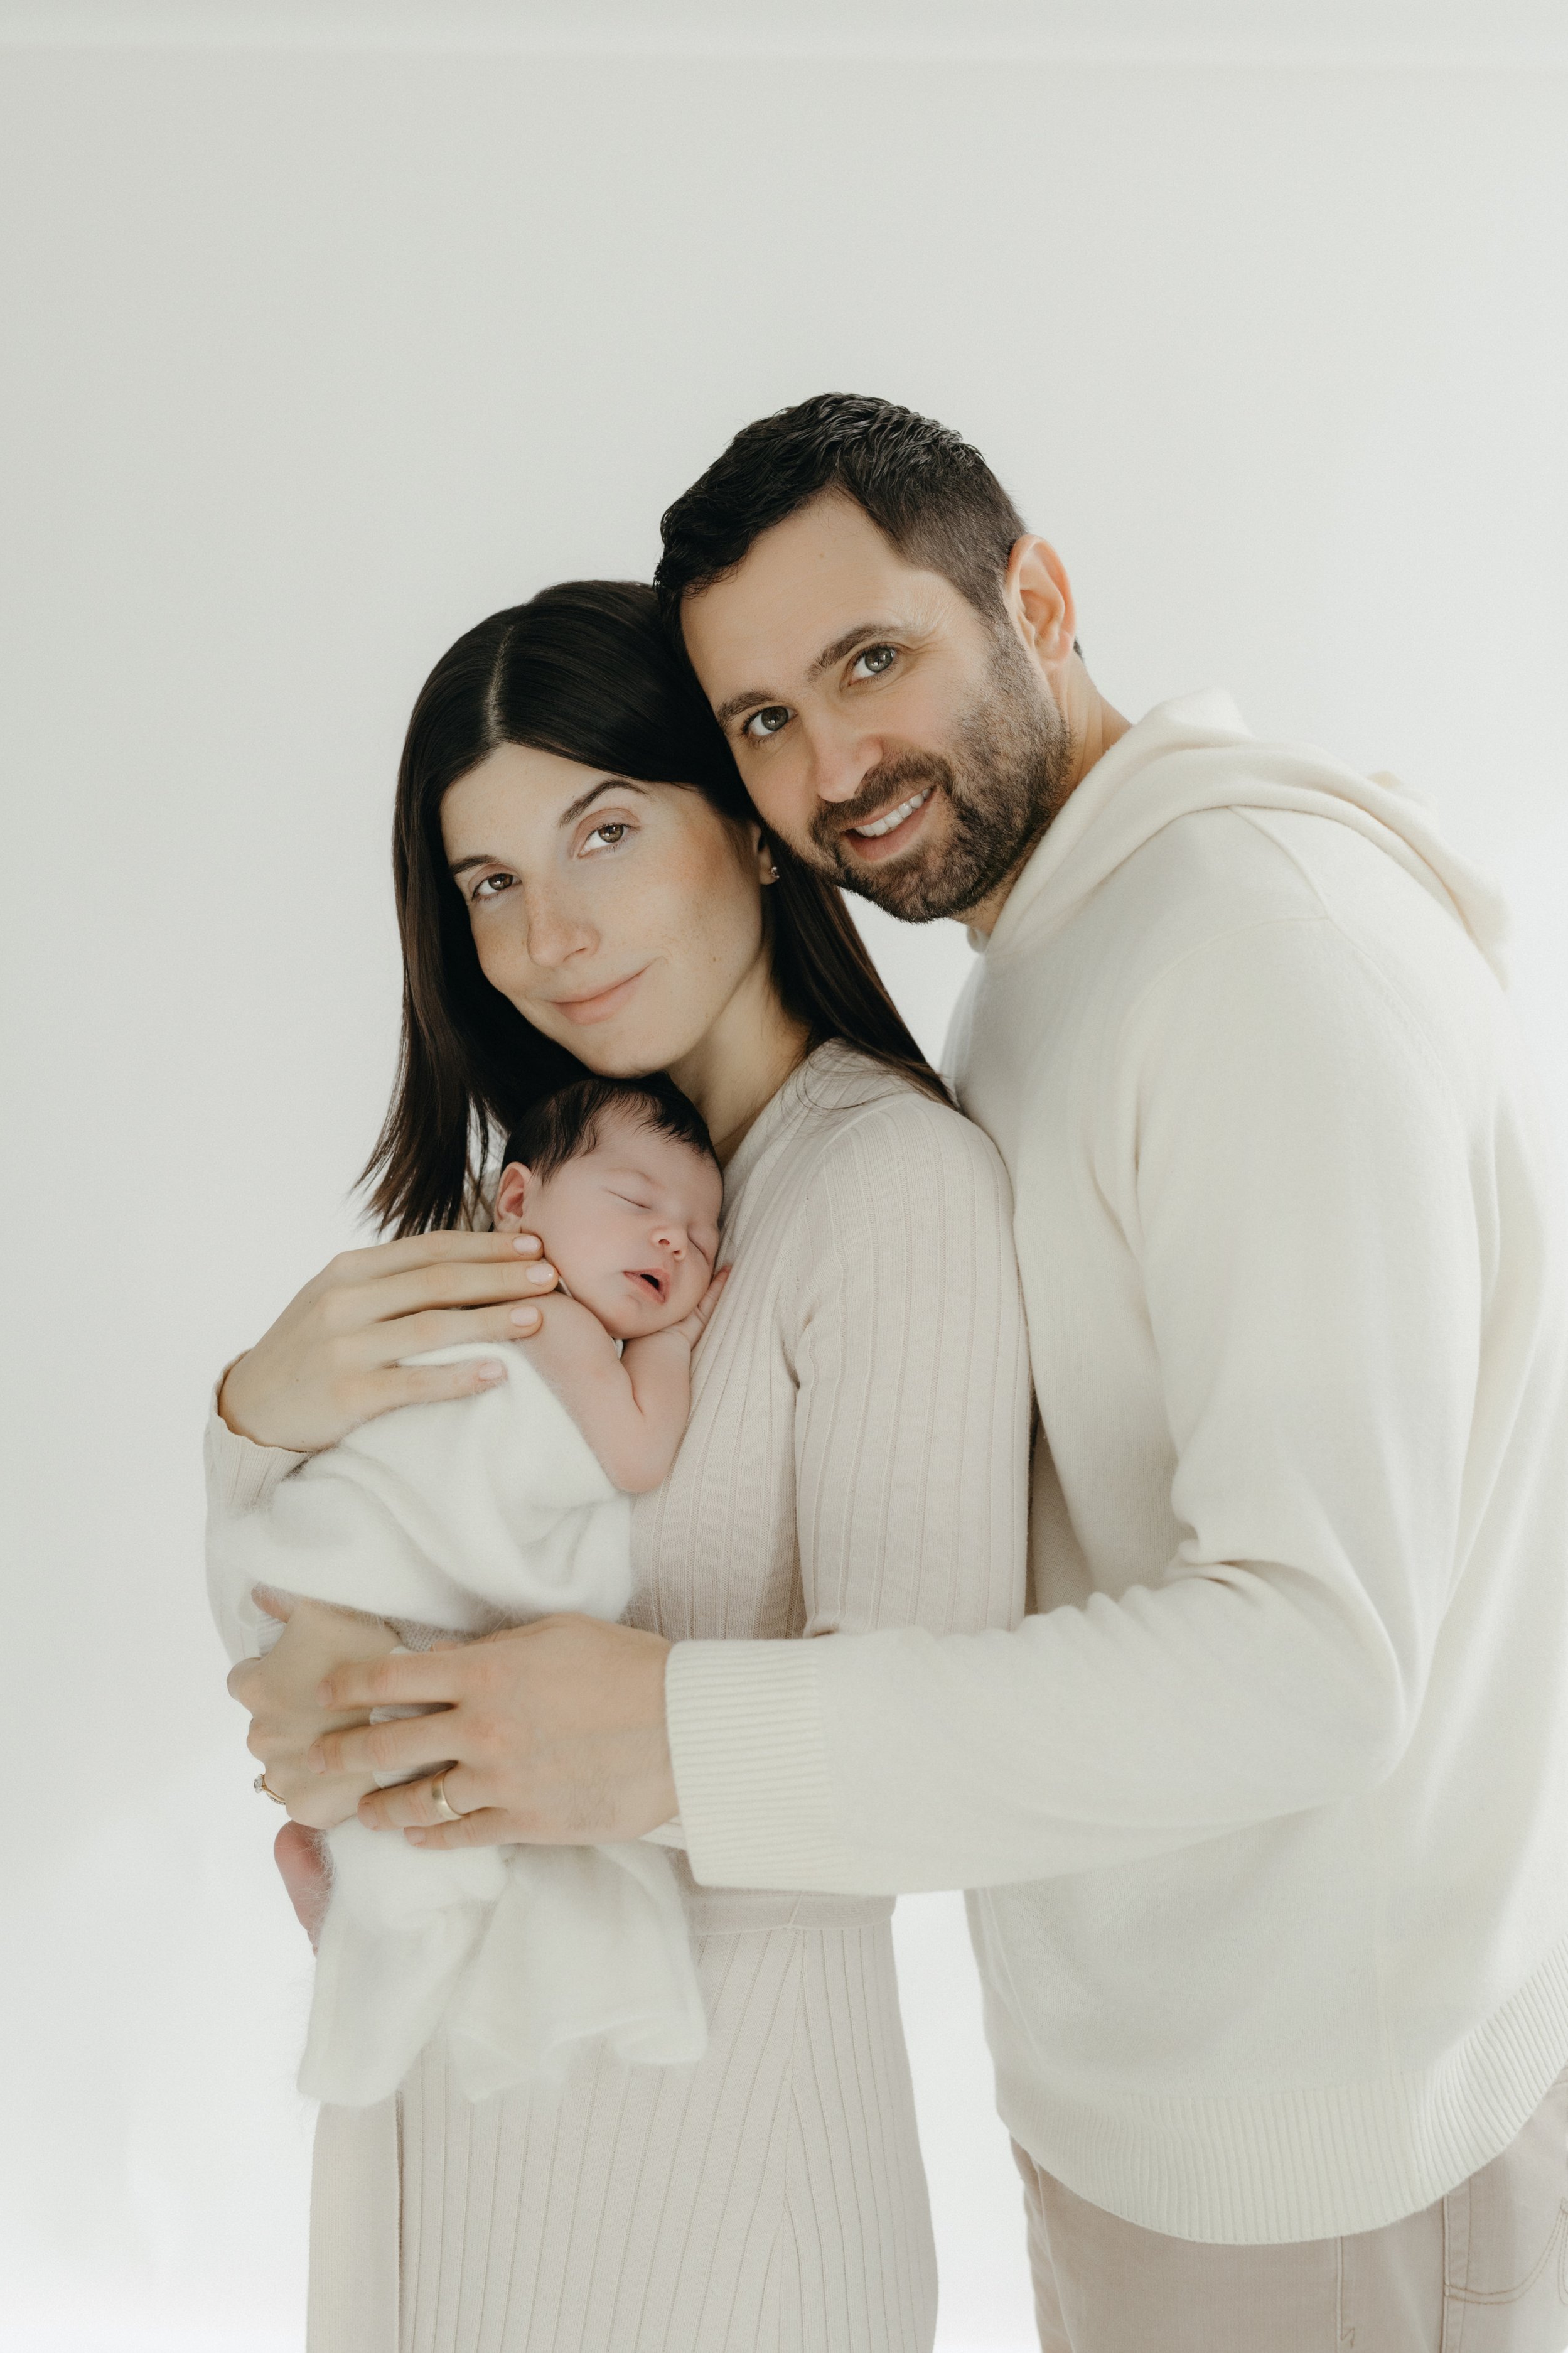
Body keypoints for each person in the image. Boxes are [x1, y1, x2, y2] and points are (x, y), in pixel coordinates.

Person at [313, 400, 1568, 2353]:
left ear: (1038, 598)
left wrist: (655, 1741)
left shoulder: (1254, 957)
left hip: (1322, 2147)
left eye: (870, 662)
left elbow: (1321, 1657)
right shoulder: (1055, 959)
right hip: (1151, 2101)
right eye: (759, 723)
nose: (834, 769)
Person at [214, 577, 1031, 2351]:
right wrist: (252, 1417)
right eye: (488, 882)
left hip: (722, 2193)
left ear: (747, 831)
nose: (548, 935)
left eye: (601, 831)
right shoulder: (541, 1211)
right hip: (451, 2133)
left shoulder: (885, 1189)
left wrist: (547, 1730)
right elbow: (302, 1613)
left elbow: (943, 1753)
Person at [209, 1075, 728, 2112]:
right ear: (521, 1204)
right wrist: (670, 1346)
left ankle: (351, 1896)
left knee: (409, 1775)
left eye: (705, 1234)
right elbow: (635, 1454)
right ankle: (370, 1912)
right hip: (384, 1570)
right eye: (638, 1204)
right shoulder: (555, 1324)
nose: (676, 1241)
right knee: (444, 1819)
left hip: (325, 1562)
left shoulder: (467, 1296)